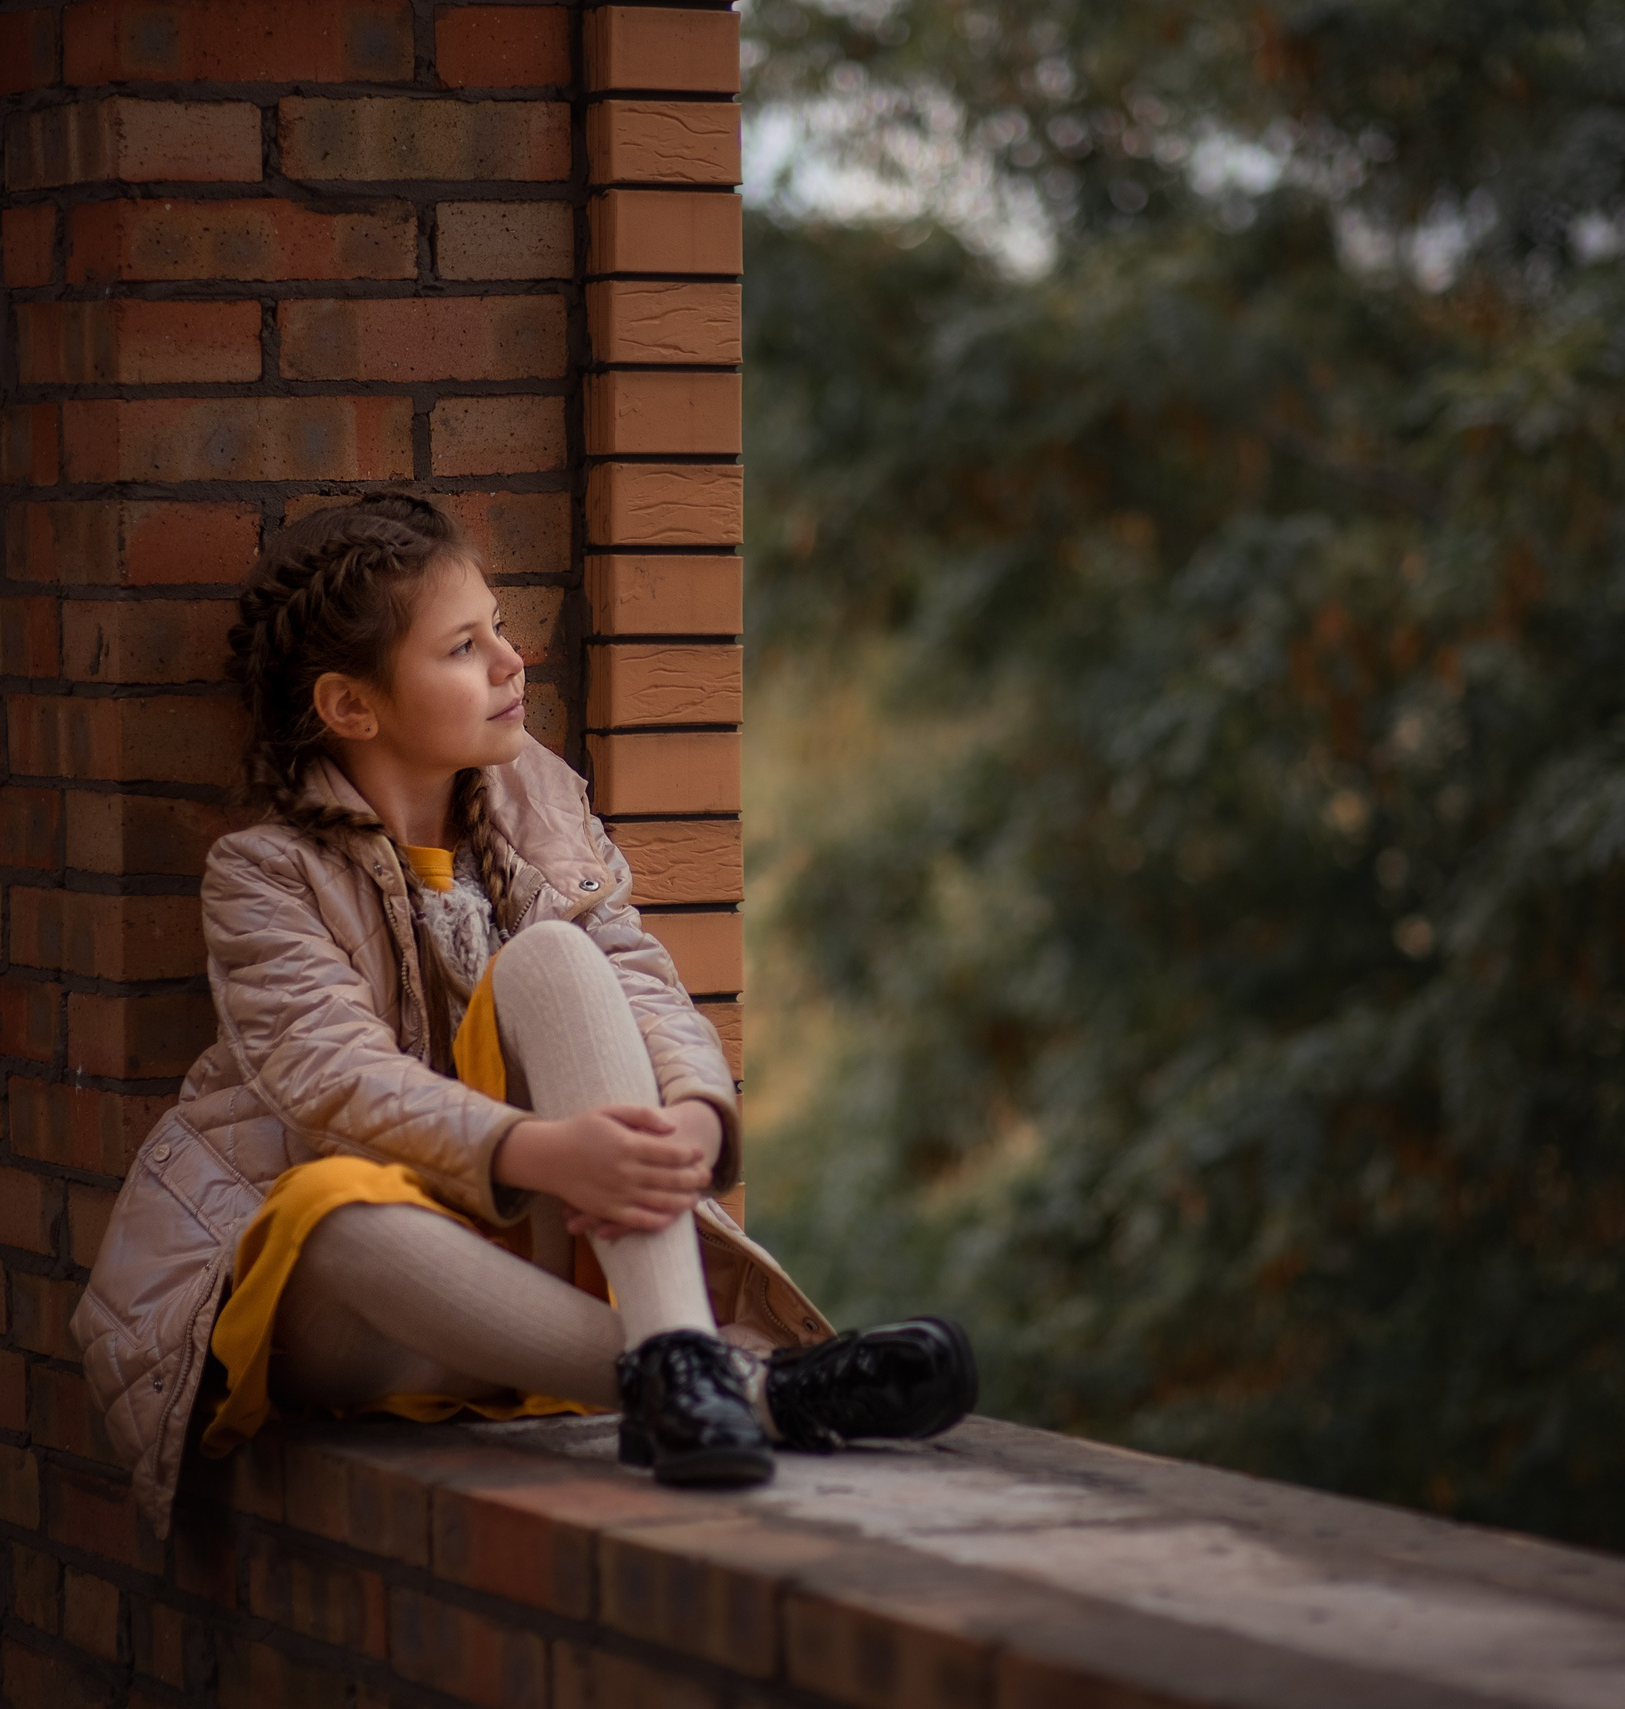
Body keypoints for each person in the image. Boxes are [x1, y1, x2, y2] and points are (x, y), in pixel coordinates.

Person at [73, 493, 975, 1536]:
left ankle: (682, 1373)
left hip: (519, 1273)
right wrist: (539, 1150)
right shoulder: (264, 872)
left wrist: (694, 1112)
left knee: (558, 953)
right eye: (464, 645)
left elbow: (637, 976)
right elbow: (332, 1079)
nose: (512, 659)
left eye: (499, 626)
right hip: (359, 1305)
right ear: (351, 706)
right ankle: (755, 1382)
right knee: (332, 1215)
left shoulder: (539, 806)